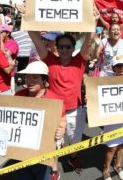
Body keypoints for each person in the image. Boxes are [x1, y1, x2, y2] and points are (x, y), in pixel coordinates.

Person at [29, 31, 92, 174]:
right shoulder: (49, 60)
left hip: (76, 110)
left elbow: (88, 42)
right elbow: (36, 40)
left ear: (73, 48)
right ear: (56, 48)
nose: (64, 50)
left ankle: (73, 158)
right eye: (61, 47)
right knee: (54, 143)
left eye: (68, 47)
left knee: (75, 141)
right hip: (54, 111)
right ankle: (54, 168)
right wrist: (27, 18)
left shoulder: (79, 61)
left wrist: (92, 23)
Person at [15, 61, 66, 180]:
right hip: (20, 151)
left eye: (34, 77)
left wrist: (62, 129)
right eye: (27, 77)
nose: (29, 81)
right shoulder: (18, 95)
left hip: (43, 152)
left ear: (44, 80)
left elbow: (62, 118)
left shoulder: (54, 99)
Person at [102, 55, 123, 180]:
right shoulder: (107, 82)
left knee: (122, 144)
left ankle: (118, 165)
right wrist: (91, 99)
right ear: (113, 68)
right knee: (112, 146)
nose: (122, 68)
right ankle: (106, 169)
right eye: (118, 66)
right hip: (112, 119)